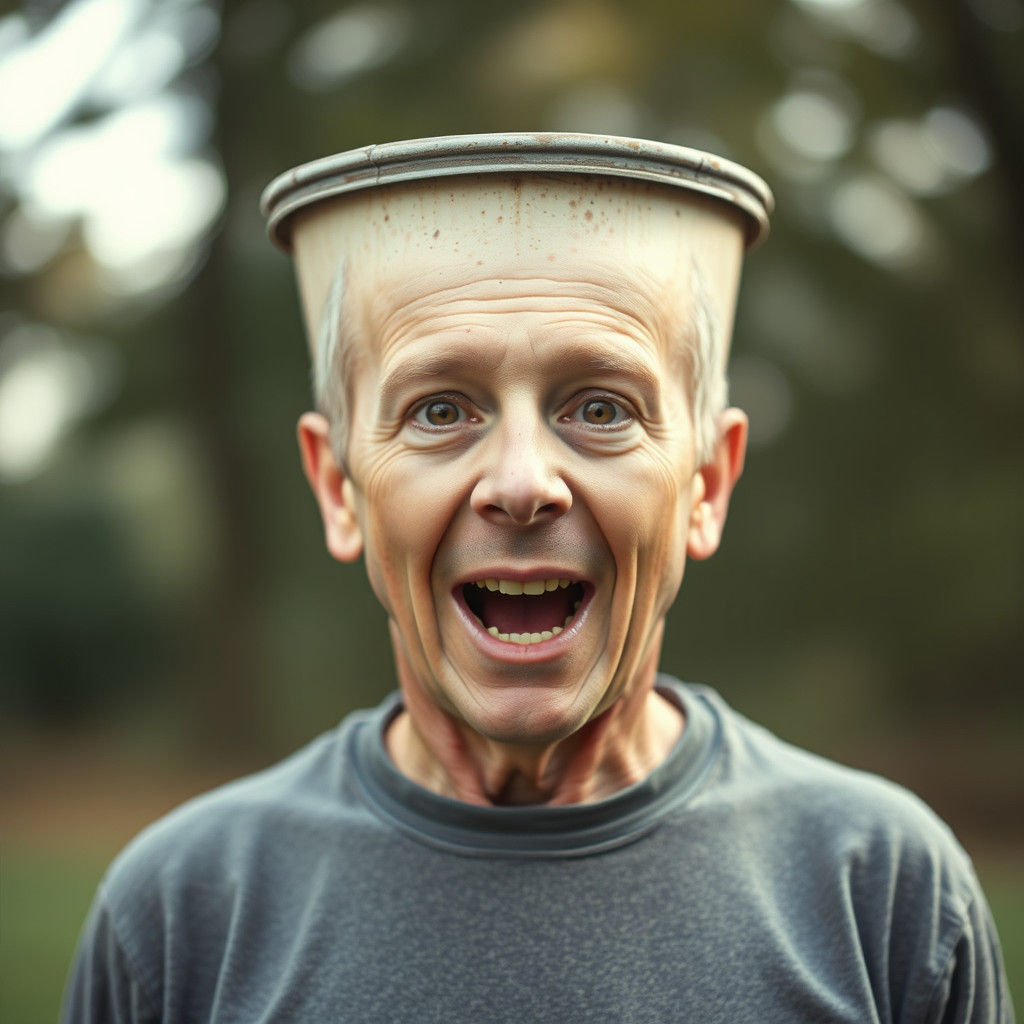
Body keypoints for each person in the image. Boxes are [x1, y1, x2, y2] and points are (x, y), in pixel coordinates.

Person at [62, 135, 1013, 1023]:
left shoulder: (885, 896)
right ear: (338, 489)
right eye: (440, 410)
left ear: (707, 484)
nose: (522, 484)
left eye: (600, 406)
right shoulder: (182, 917)